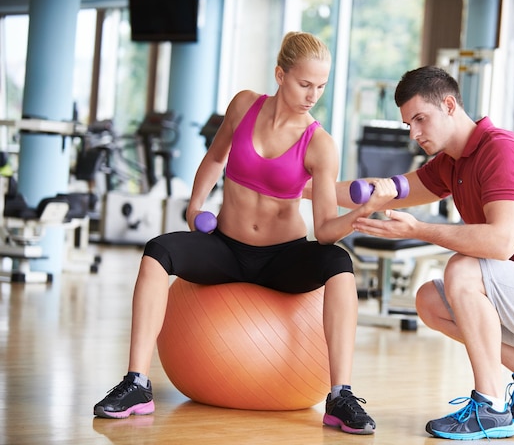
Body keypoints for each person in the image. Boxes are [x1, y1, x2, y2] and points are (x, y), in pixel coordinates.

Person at [93, 32, 383, 435]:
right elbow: (215, 158)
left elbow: (325, 231)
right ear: (281, 74)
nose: (312, 94)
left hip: (283, 258)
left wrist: (360, 214)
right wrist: (195, 206)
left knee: (338, 261)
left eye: (321, 86)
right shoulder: (244, 105)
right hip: (227, 249)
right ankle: (137, 384)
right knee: (158, 251)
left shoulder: (320, 144)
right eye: (304, 84)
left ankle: (340, 395)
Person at [337, 66, 514, 440]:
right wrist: (296, 188)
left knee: (463, 269)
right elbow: (384, 190)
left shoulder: (501, 150)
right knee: (430, 300)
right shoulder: (452, 163)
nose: (414, 133)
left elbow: (500, 243)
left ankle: (491, 406)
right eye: (408, 124)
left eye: (420, 119)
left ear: (449, 104)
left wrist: (418, 230)